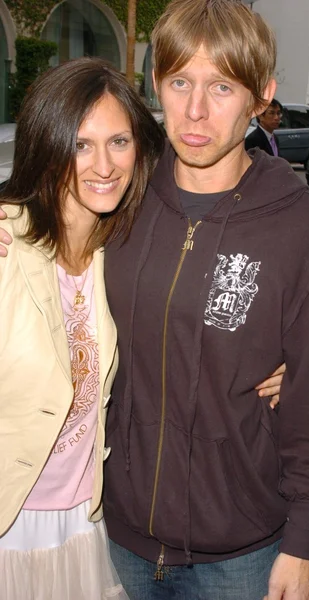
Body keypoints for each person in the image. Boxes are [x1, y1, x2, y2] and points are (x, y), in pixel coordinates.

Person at [0, 1, 309, 599]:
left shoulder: (305, 229)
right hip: (115, 535)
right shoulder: (124, 199)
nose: (196, 110)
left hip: (241, 551)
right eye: (181, 81)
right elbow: (49, 196)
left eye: (223, 86)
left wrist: (304, 541)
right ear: (156, 81)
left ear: (261, 94)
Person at [0, 56, 164, 599]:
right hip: (9, 523)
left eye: (118, 142)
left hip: (83, 523)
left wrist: (279, 364)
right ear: (47, 148)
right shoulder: (6, 245)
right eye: (80, 144)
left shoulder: (122, 252)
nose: (103, 165)